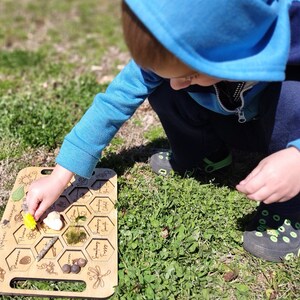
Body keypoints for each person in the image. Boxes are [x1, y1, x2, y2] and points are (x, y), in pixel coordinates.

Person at [26, 0, 300, 262]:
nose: (180, 85)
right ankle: (207, 156)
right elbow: (113, 103)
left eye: (190, 75)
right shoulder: (168, 46)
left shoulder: (293, 34)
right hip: (226, 115)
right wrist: (61, 175)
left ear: (232, 48)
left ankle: (288, 208)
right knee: (163, 88)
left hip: (279, 128)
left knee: (293, 97)